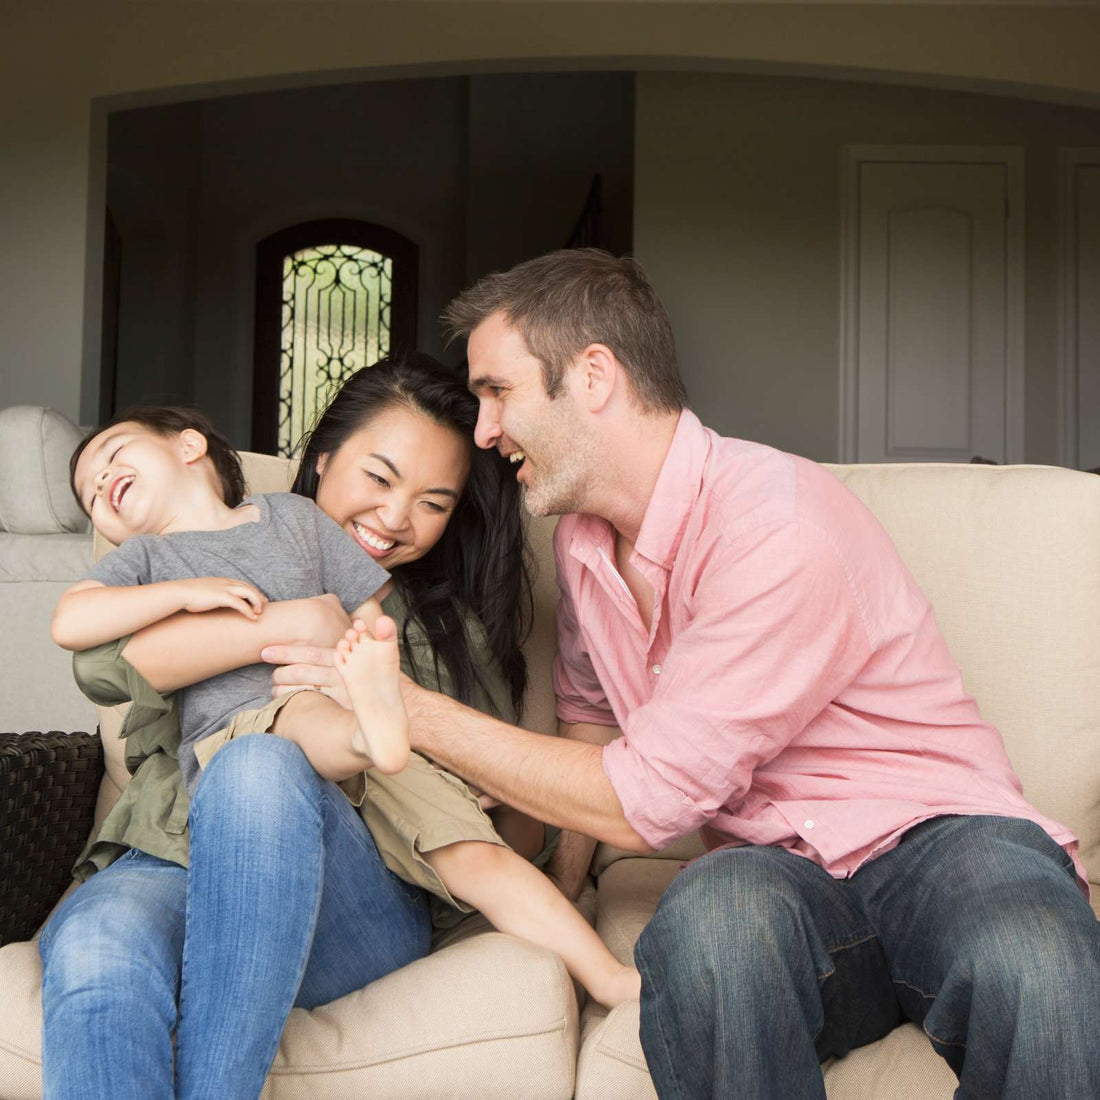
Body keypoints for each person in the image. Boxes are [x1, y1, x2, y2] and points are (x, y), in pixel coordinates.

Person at [267, 250, 1100, 1100]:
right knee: (710, 924)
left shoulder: (775, 523)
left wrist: (403, 708)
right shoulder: (584, 545)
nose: (484, 431)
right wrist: (567, 885)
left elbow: (649, 800)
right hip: (777, 873)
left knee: (1034, 957)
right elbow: (590, 712)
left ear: (594, 376)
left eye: (498, 392)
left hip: (941, 839)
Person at [36, 355, 563, 1100]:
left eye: (432, 502)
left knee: (257, 764)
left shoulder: (445, 632)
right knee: (95, 948)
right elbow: (113, 663)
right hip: (167, 858)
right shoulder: (188, 558)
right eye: (378, 478)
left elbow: (519, 829)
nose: (394, 519)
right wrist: (293, 621)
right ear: (323, 460)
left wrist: (442, 748)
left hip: (348, 891)